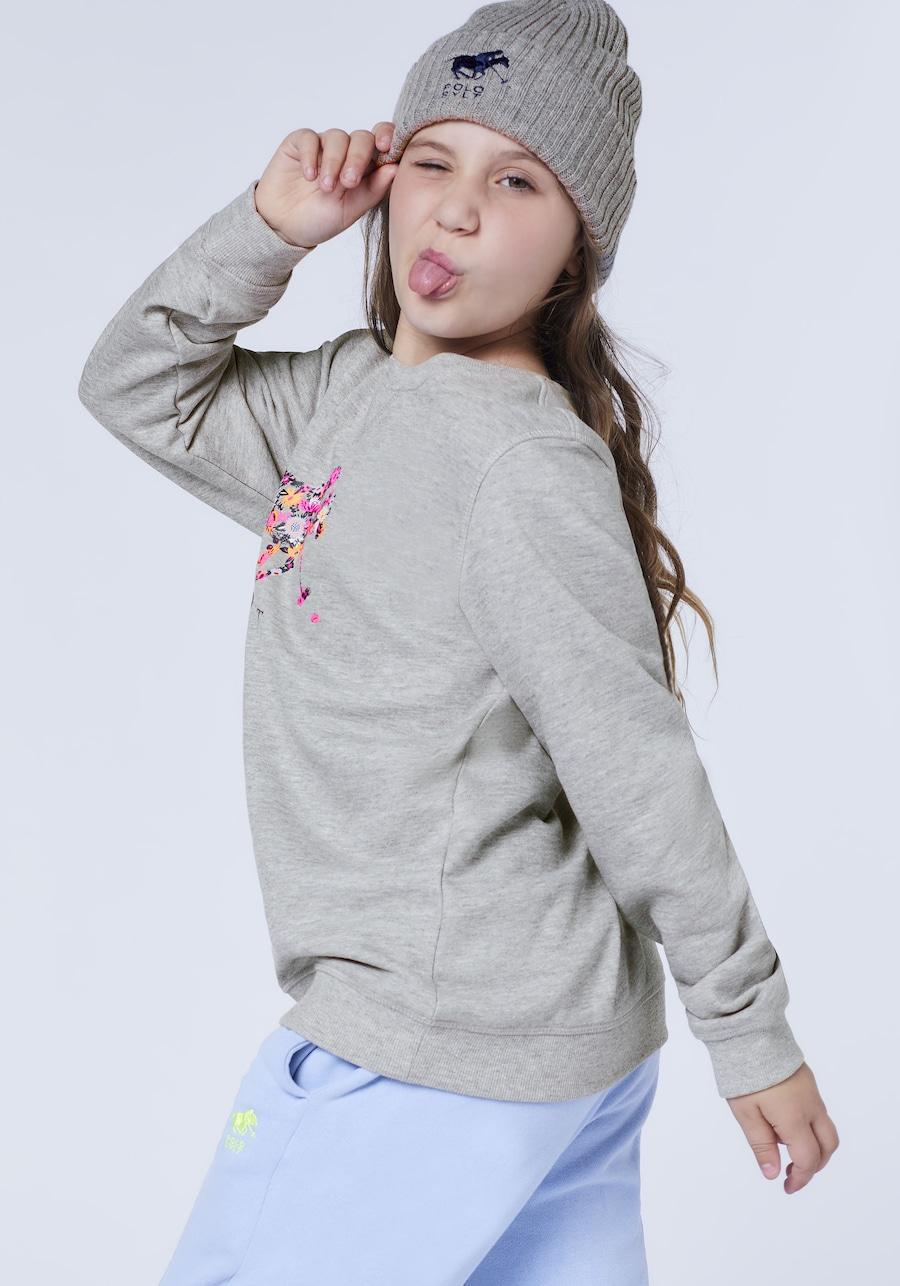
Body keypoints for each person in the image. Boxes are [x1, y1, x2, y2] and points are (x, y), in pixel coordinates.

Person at [77, 2, 839, 1282]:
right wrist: (270, 228)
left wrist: (750, 1026)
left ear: (580, 249)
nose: (457, 209)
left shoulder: (517, 464)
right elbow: (135, 384)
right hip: (540, 1049)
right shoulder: (346, 394)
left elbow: (634, 763)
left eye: (518, 180)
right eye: (431, 160)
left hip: (438, 1048)